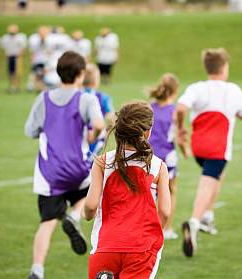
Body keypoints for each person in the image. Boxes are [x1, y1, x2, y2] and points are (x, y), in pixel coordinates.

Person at [24, 51, 104, 279]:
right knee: (92, 192)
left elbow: (30, 131)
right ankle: (74, 216)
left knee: (47, 222)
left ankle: (37, 270)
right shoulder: (86, 99)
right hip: (77, 170)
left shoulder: (43, 99)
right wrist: (92, 135)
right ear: (80, 74)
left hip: (50, 173)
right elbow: (98, 123)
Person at [176, 48, 242, 257]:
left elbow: (181, 108)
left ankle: (208, 216)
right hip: (218, 148)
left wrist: (181, 128)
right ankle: (194, 221)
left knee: (217, 175)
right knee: (208, 181)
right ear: (224, 68)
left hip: (198, 148)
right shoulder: (233, 90)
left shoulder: (197, 88)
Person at [84, 101, 171, 279]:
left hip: (105, 246)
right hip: (141, 249)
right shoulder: (158, 166)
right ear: (147, 132)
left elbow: (91, 206)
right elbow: (165, 211)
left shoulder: (102, 162)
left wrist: (86, 215)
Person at [148, 73, 180, 240]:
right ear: (174, 92)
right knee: (170, 192)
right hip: (167, 157)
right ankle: (166, 228)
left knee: (148, 192)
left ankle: (146, 227)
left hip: (148, 156)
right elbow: (178, 135)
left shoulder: (148, 107)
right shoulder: (175, 111)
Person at [83, 63, 115, 158]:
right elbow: (111, 118)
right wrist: (106, 131)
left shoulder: (76, 95)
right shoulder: (103, 97)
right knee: (91, 163)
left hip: (78, 135)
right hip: (96, 136)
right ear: (96, 80)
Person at [1, 24, 27, 93]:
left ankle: (18, 86)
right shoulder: (6, 37)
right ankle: (12, 86)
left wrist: (20, 54)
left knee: (18, 73)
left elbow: (23, 48)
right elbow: (4, 47)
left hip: (17, 56)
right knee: (10, 73)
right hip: (10, 56)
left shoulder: (20, 37)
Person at [27, 26, 50, 92]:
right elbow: (33, 50)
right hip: (38, 60)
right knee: (38, 75)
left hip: (45, 60)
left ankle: (41, 88)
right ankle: (40, 88)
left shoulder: (49, 38)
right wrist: (32, 59)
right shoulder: (35, 39)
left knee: (42, 75)